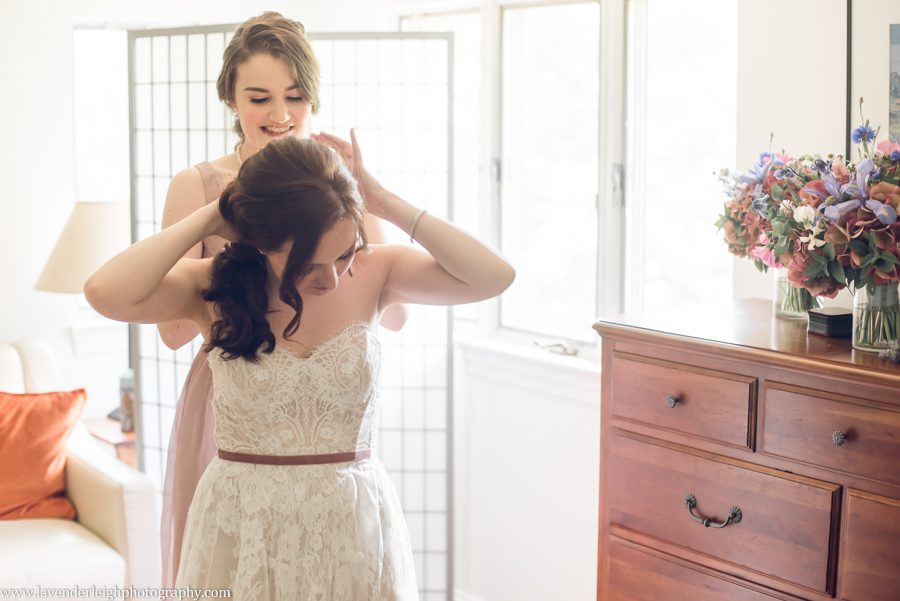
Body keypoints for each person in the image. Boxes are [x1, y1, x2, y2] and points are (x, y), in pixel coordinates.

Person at [85, 132, 514, 596]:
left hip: (351, 525)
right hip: (241, 525)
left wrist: (383, 201)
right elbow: (104, 292)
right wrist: (210, 217)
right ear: (263, 241)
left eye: (345, 254)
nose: (331, 277)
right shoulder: (213, 287)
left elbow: (494, 276)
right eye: (308, 263)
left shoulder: (378, 273)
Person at [156, 11, 406, 586]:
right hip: (239, 396)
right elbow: (171, 330)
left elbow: (393, 314)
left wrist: (367, 195)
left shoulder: (336, 183)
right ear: (231, 99)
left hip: (324, 405)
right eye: (259, 97)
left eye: (295, 97)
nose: (280, 115)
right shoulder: (200, 185)